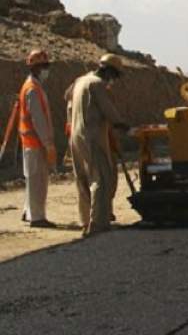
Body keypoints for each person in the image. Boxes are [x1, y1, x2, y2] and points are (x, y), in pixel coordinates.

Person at [69, 54, 128, 237]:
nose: (113, 80)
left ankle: (85, 221)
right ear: (109, 71)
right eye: (114, 75)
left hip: (76, 136)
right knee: (101, 178)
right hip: (92, 137)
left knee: (83, 179)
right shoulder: (97, 84)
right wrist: (123, 125)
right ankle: (98, 224)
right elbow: (109, 111)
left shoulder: (81, 80)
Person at [18, 49, 57, 228]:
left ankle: (29, 212)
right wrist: (48, 144)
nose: (46, 70)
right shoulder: (33, 89)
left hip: (32, 142)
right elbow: (38, 120)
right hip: (35, 143)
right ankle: (37, 217)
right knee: (37, 180)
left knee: (33, 179)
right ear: (34, 68)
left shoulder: (33, 86)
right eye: (44, 66)